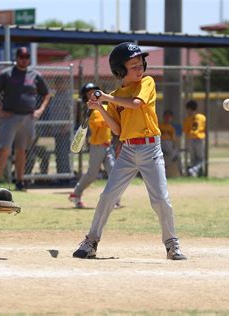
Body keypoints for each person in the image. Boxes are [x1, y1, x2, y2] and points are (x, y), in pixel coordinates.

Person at [72, 42, 186, 260]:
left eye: (140, 63)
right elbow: (117, 129)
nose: (139, 67)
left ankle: (172, 244)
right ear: (120, 69)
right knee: (107, 196)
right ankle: (91, 242)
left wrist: (105, 98)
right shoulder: (115, 95)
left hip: (151, 149)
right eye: (132, 65)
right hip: (127, 150)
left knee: (161, 199)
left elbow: (136, 103)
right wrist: (100, 109)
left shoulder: (147, 83)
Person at [0, 47, 51, 191]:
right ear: (16, 58)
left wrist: (40, 110)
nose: (24, 59)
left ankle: (20, 181)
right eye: (21, 56)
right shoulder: (7, 74)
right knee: (5, 149)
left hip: (28, 117)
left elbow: (47, 94)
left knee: (22, 150)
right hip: (10, 117)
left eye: (27, 57)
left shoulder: (35, 75)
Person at [68, 82, 120, 209]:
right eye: (89, 93)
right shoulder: (90, 111)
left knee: (113, 171)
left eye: (94, 91)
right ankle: (76, 193)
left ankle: (114, 199)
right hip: (97, 146)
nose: (92, 94)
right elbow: (102, 123)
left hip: (108, 146)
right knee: (92, 174)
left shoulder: (106, 107)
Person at [183, 100, 206, 177]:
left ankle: (193, 171)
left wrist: (189, 136)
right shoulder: (202, 117)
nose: (187, 111)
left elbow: (186, 131)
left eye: (187, 109)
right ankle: (194, 170)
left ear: (190, 109)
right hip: (199, 139)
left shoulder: (187, 119)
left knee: (194, 159)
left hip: (191, 140)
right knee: (201, 159)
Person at [159, 110, 182, 177]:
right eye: (166, 117)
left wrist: (175, 146)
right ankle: (163, 166)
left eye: (169, 117)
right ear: (163, 117)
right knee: (173, 153)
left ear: (171, 118)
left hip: (168, 144)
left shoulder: (171, 128)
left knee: (177, 154)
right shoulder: (159, 126)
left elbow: (173, 140)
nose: (168, 118)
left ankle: (182, 173)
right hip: (160, 143)